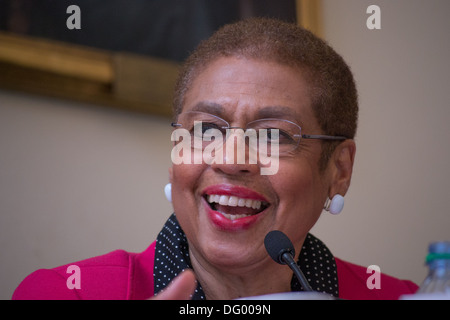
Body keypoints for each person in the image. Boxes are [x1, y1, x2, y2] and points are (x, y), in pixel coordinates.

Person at [12, 18, 418, 300]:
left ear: (339, 170)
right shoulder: (67, 292)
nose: (230, 160)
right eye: (207, 130)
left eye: (273, 135)